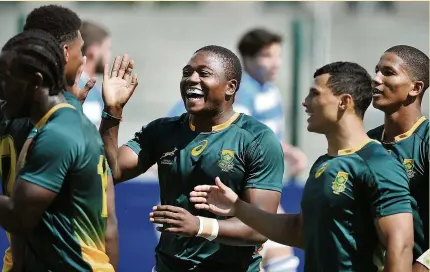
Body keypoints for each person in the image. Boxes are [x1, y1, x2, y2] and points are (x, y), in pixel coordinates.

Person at [190, 62, 415, 272]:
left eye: (315, 94)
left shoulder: (377, 163)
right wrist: (239, 208)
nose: (305, 102)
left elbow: (401, 244)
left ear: (344, 102)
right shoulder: (324, 164)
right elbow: (298, 231)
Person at [100, 46, 284, 271]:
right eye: (186, 73)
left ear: (231, 87)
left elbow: (260, 229)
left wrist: (200, 226)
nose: (191, 79)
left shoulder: (257, 140)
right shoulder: (162, 131)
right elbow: (110, 172)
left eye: (203, 74)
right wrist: (112, 111)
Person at [0, 5, 118, 271]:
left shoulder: (8, 118)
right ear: (64, 53)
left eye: (5, 79)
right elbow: (108, 221)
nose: (83, 59)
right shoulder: (57, 127)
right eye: (80, 51)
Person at [168, 28, 307, 177]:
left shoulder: (271, 91)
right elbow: (236, 138)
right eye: (267, 56)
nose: (276, 63)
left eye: (278, 56)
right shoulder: (237, 92)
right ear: (248, 58)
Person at [368, 45, 429, 261]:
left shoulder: (426, 141)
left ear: (415, 88)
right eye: (376, 70)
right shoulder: (366, 143)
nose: (375, 78)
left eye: (388, 72)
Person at [79, 21, 112, 128]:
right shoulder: (83, 87)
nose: (109, 55)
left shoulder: (89, 85)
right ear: (93, 51)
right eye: (107, 49)